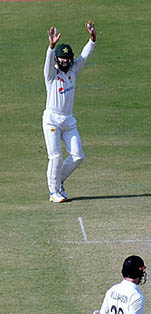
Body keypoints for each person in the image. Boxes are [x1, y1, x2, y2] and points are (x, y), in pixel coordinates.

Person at [43, 21, 97, 203]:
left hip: (68, 120)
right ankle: (53, 192)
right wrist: (51, 47)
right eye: (62, 59)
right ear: (57, 59)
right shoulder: (51, 75)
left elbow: (84, 57)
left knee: (78, 156)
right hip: (52, 120)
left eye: (67, 59)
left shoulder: (73, 71)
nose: (65, 61)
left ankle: (59, 181)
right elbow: (48, 63)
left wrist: (92, 39)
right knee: (56, 156)